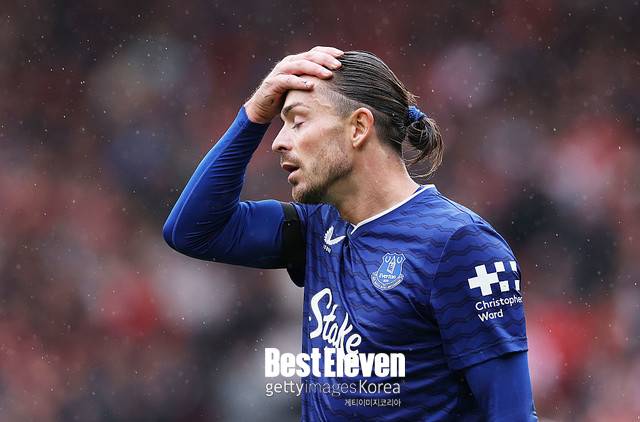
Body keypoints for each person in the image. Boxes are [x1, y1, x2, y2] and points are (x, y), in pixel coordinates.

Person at [163, 46, 538, 421]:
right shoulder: (318, 225)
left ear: (358, 128)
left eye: (297, 122)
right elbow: (191, 230)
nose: (278, 141)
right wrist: (253, 115)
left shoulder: (459, 244)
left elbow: (511, 414)